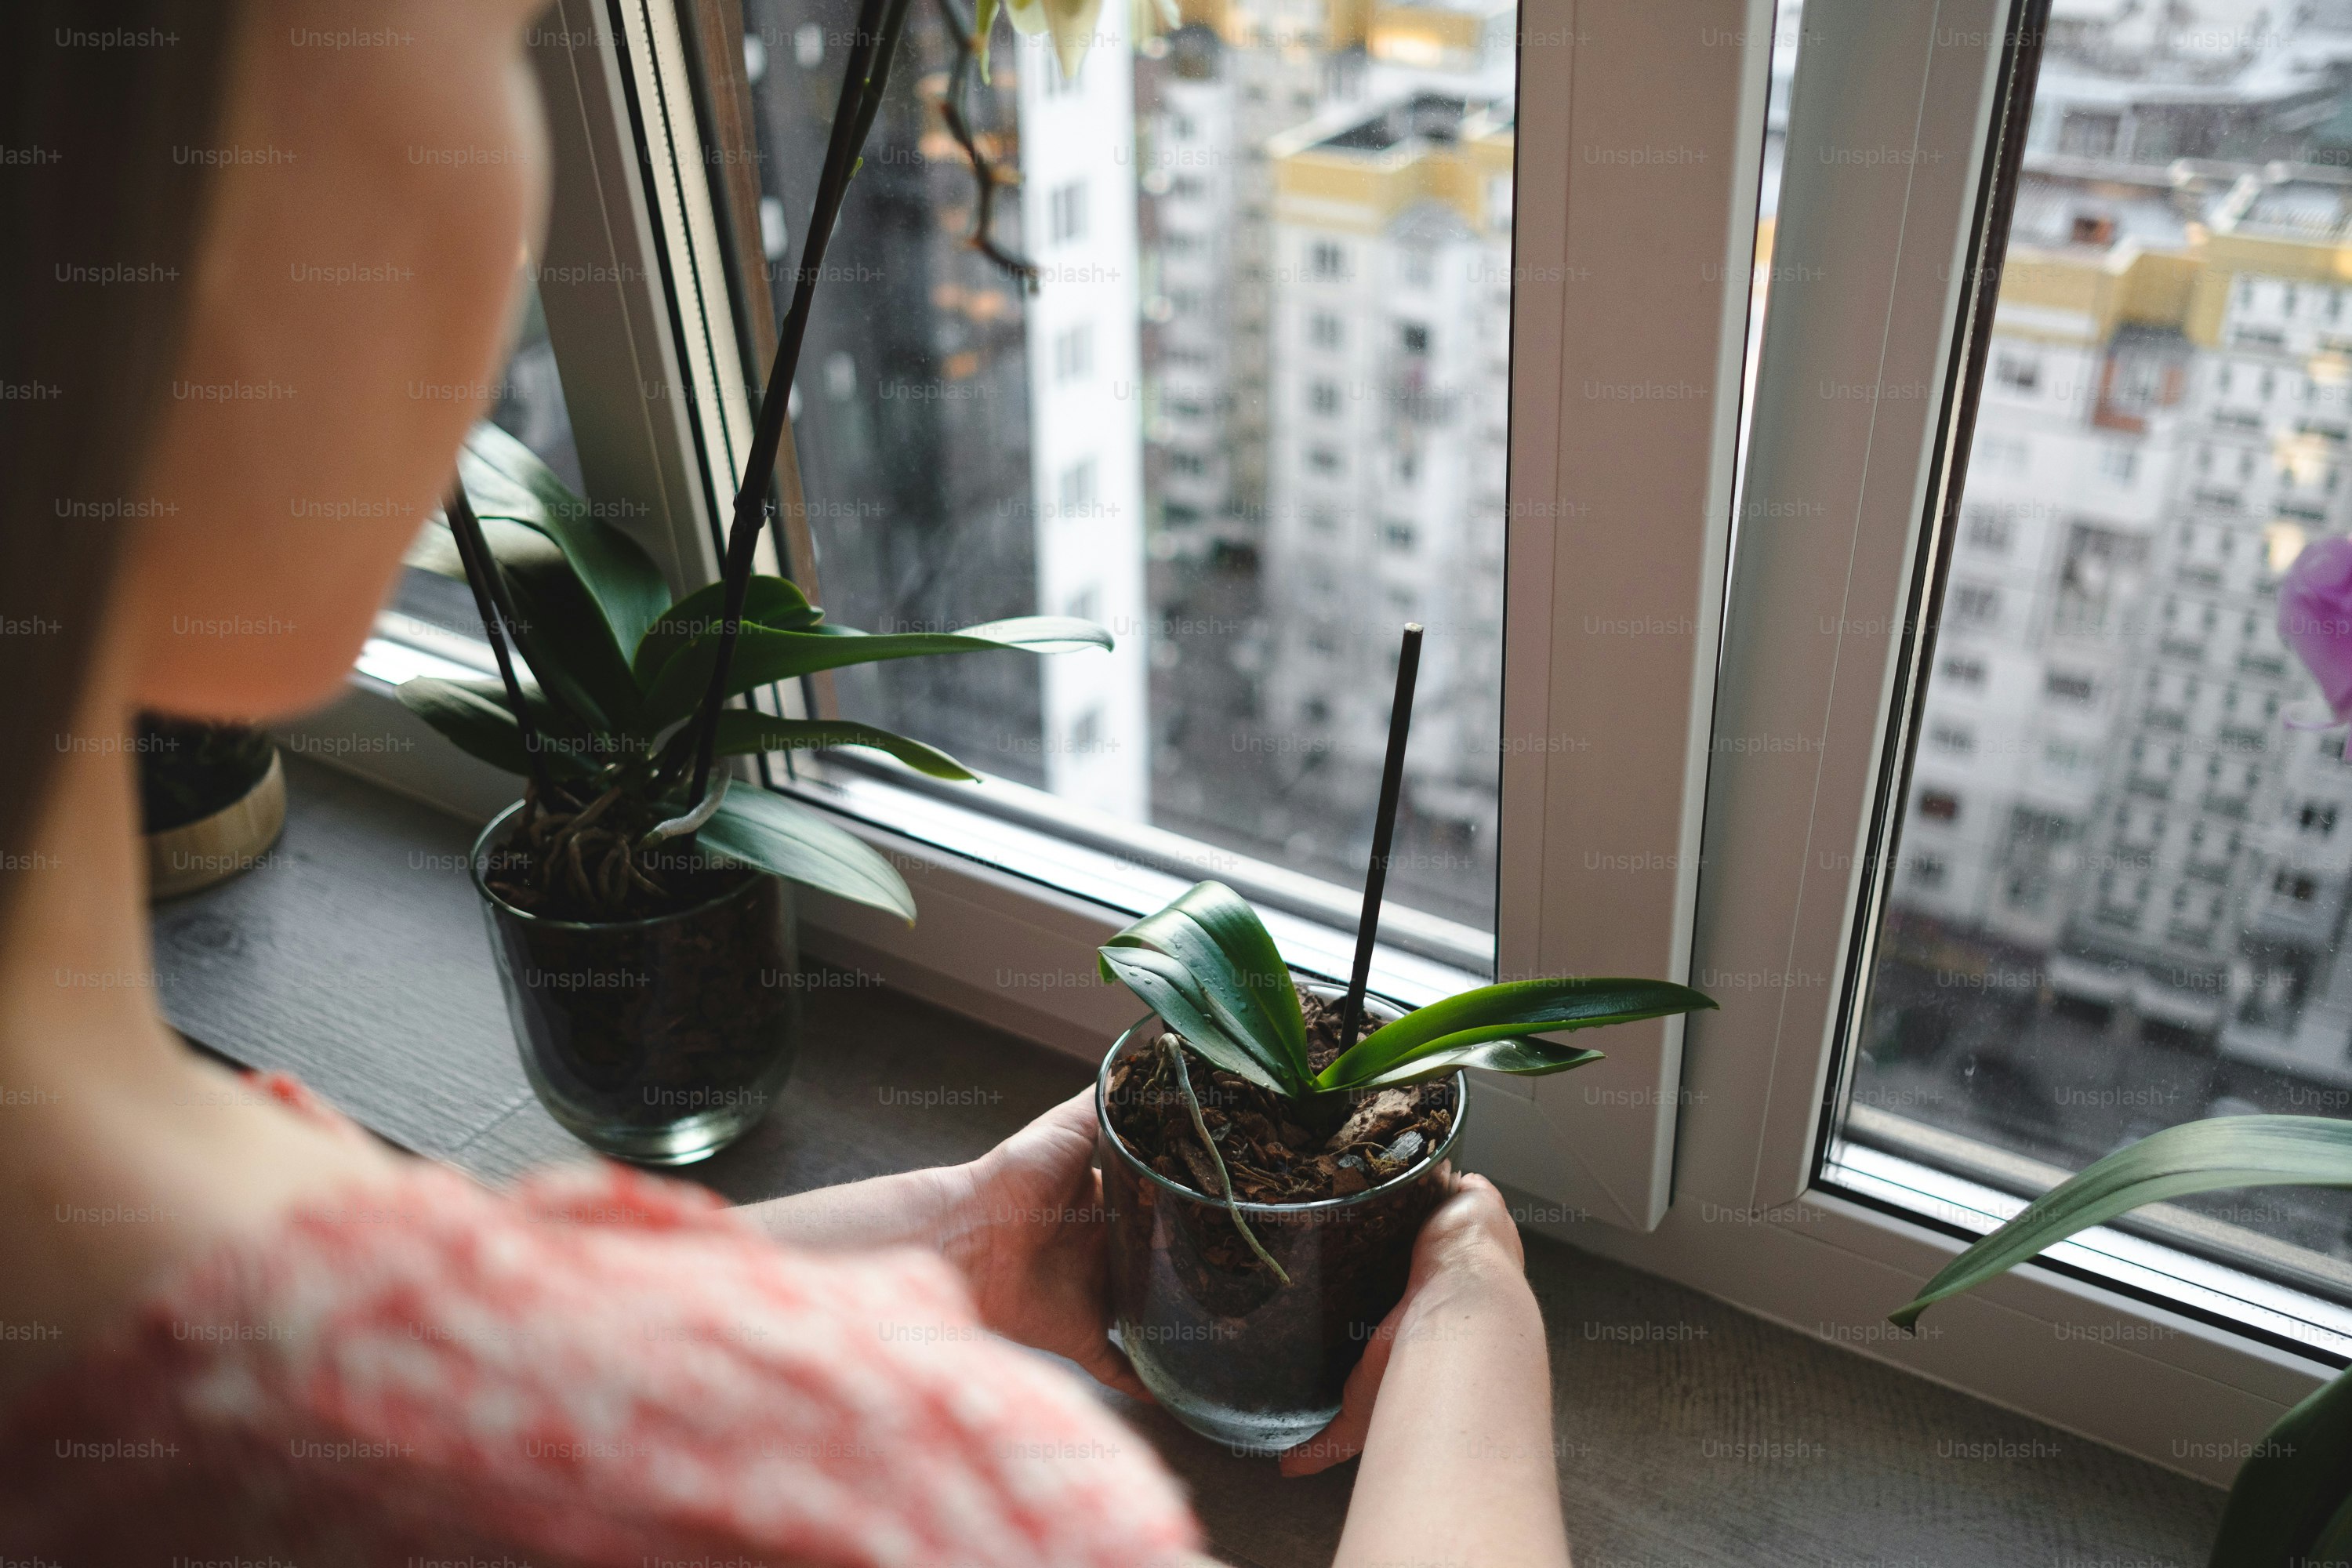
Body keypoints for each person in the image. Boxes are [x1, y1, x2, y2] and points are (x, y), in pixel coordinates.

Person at [0, 2, 1573, 1563]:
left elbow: (504, 1345)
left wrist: (949, 1234)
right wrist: (1472, 1338)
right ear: (155, 199)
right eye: (501, 40)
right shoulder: (925, 1508)